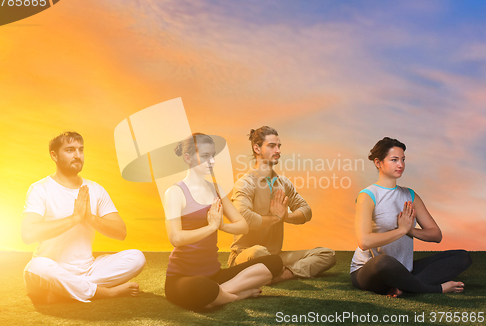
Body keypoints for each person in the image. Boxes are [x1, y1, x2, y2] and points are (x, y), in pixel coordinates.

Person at [22, 132, 146, 303]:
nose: (77, 155)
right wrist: (74, 218)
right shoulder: (40, 189)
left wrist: (89, 218)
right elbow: (28, 234)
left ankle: (65, 289)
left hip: (88, 269)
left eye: (81, 150)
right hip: (51, 267)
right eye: (70, 150)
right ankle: (104, 292)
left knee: (137, 257)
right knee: (36, 267)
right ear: (54, 155)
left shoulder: (96, 189)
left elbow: (120, 232)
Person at [164, 133, 283, 309]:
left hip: (214, 275)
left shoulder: (216, 189)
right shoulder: (174, 193)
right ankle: (234, 295)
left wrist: (221, 225)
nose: (211, 161)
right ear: (188, 158)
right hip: (182, 279)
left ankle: (218, 294)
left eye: (212, 156)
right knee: (203, 288)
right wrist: (211, 227)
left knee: (274, 263)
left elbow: (242, 225)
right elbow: (176, 238)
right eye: (204, 156)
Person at [351, 137, 472, 296]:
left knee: (462, 257)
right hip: (371, 270)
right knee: (384, 261)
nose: (400, 165)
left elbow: (436, 235)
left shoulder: (410, 195)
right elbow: (364, 241)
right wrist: (401, 230)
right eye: (394, 160)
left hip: (404, 269)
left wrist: (410, 231)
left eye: (403, 159)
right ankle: (436, 289)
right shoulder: (367, 196)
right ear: (378, 163)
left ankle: (403, 289)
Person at [229, 126, 336, 283]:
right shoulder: (245, 183)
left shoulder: (283, 183)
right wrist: (275, 217)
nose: (278, 150)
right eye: (272, 146)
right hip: (246, 255)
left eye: (279, 146)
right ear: (257, 148)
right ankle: (272, 270)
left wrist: (286, 216)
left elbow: (306, 211)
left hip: (275, 256)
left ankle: (283, 275)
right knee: (259, 252)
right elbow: (244, 219)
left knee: (327, 254)